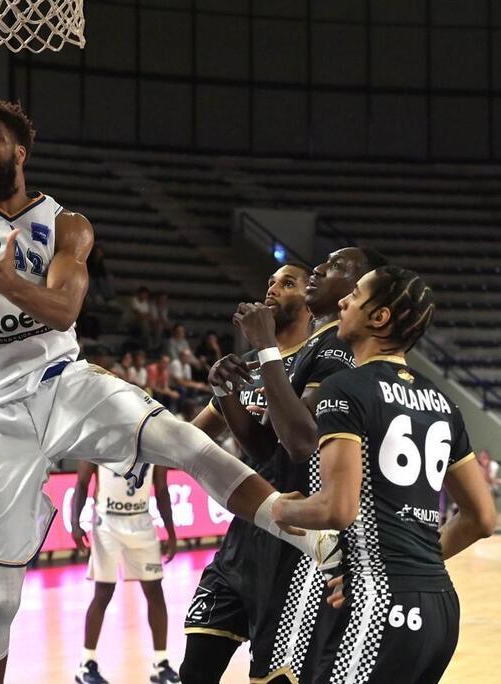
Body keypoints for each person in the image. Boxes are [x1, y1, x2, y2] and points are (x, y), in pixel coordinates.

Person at [0, 98, 340, 683]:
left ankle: (314, 539)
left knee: (182, 442)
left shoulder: (67, 225)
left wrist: (11, 283)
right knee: (3, 598)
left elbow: (63, 309)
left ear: (20, 152)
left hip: (61, 382)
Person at [273, 265, 496, 683]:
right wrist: (412, 568)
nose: (342, 302)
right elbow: (482, 518)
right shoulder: (443, 403)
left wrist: (283, 511)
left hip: (382, 605)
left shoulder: (346, 388)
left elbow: (337, 508)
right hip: (440, 606)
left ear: (380, 318)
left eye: (354, 296)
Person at [209, 249, 385, 683]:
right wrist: (228, 392)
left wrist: (267, 349)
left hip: (306, 538)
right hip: (259, 530)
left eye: (335, 268)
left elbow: (301, 444)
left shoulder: (336, 349)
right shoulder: (286, 358)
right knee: (198, 662)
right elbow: (267, 447)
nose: (320, 270)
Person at [179, 263, 312, 683]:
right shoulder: (247, 366)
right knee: (194, 671)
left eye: (288, 283)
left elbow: (280, 447)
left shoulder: (320, 360)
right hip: (241, 540)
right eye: (270, 280)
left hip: (292, 545)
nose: (273, 288)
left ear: (311, 301)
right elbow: (192, 437)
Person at [71, 462, 180, 684]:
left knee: (155, 591)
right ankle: (86, 664)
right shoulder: (100, 437)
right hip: (106, 522)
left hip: (141, 521)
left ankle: (161, 664)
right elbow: (82, 483)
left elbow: (161, 488)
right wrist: (75, 522)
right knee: (103, 591)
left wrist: (170, 530)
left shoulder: (151, 438)